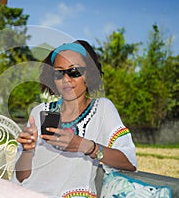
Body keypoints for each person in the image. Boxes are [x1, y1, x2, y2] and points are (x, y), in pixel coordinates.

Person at [11, 40, 137, 198]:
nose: (66, 79)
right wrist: (27, 151)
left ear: (89, 74)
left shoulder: (102, 109)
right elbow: (21, 177)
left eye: (74, 72)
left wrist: (86, 146)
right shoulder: (39, 112)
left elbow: (129, 162)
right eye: (58, 73)